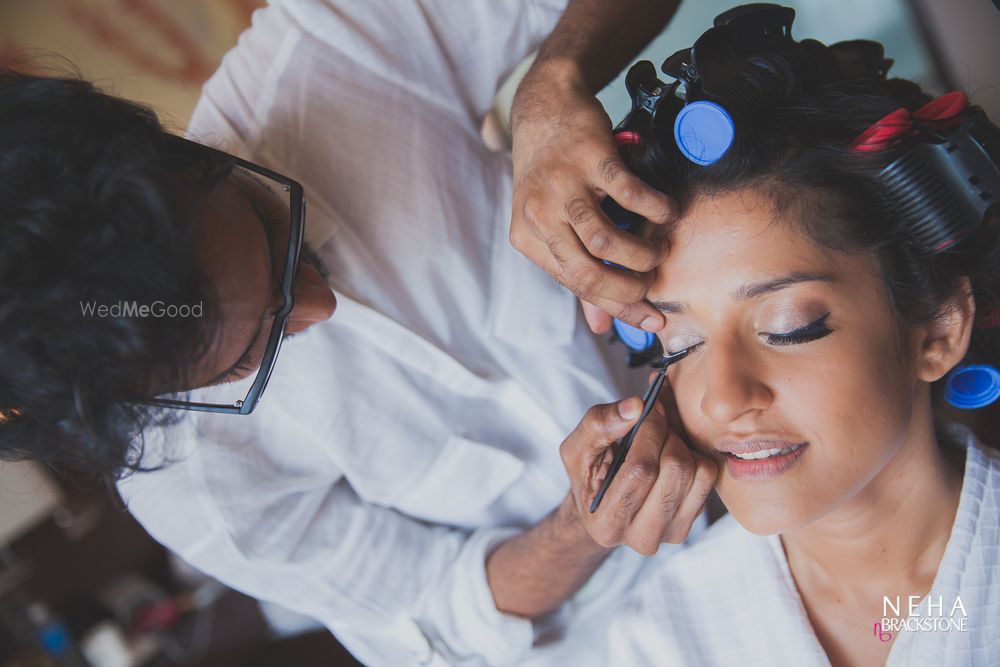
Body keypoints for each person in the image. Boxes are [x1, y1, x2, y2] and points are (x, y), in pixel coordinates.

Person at [1, 1, 718, 665]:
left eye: (276, 229)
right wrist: (581, 526)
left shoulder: (326, 51)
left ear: (174, 152)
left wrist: (553, 83)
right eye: (254, 353)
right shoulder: (197, 492)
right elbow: (439, 609)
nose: (319, 306)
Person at [554, 6, 1000, 666]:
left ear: (937, 327)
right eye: (678, 343)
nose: (723, 399)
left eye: (788, 328)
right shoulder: (667, 631)